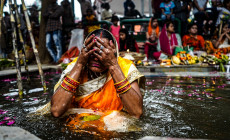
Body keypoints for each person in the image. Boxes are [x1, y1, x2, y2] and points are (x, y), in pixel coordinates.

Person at [49, 29, 143, 120]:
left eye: (102, 52)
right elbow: (56, 111)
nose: (97, 58)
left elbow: (136, 112)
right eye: (92, 52)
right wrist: (80, 64)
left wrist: (113, 66)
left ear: (113, 52)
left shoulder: (124, 67)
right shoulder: (74, 67)